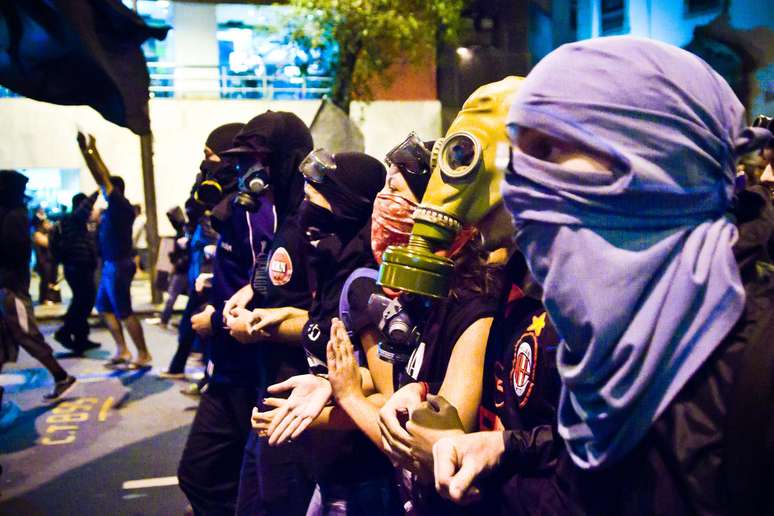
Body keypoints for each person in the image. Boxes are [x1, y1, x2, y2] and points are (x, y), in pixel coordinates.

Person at [436, 36, 774, 515]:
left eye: (548, 149)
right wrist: (506, 448)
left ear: (652, 152)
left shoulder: (759, 364)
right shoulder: (610, 341)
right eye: (519, 157)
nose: (517, 188)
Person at [234, 149, 395, 515]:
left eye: (315, 203)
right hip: (332, 474)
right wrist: (287, 315)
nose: (304, 213)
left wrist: (302, 419)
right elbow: (341, 350)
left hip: (361, 479)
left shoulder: (362, 286)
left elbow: (387, 395)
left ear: (346, 209)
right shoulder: (334, 268)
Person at [177, 112, 312, 516]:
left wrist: (219, 320)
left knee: (263, 494)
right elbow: (265, 278)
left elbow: (317, 315)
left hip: (275, 378)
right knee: (248, 491)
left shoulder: (297, 217)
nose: (243, 171)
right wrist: (244, 293)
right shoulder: (259, 209)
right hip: (250, 371)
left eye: (254, 159)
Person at [160, 122, 243, 379]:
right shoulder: (213, 194)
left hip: (226, 286)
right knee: (197, 319)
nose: (205, 163)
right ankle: (199, 376)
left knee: (206, 321)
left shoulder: (242, 204)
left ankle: (206, 378)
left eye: (210, 155)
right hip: (205, 270)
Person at [0, 170, 76, 401]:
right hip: (7, 286)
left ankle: (61, 376)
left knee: (26, 334)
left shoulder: (13, 217)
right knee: (5, 338)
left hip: (11, 288)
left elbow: (11, 252)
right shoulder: (13, 214)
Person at [77, 132, 151, 370]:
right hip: (110, 264)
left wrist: (89, 151)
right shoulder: (112, 208)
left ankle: (143, 353)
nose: (101, 190)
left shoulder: (120, 205)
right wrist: (90, 150)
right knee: (104, 307)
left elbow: (102, 176)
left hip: (119, 264)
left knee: (124, 311)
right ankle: (123, 349)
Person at [53, 191, 100, 353]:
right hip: (77, 266)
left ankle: (81, 339)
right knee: (84, 301)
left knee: (82, 300)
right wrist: (100, 189)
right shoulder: (73, 219)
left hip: (78, 266)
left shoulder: (76, 222)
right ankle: (64, 332)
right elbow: (85, 206)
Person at [31, 209, 60, 305]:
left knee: (53, 279)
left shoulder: (49, 233)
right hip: (43, 261)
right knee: (45, 279)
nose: (49, 224)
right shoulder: (37, 233)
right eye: (47, 222)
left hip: (51, 259)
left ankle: (53, 297)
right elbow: (47, 243)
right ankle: (44, 298)